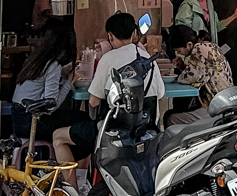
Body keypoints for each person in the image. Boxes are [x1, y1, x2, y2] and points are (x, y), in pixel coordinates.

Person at [53, 12, 165, 173]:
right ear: (134, 33)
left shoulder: (108, 59)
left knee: (59, 137)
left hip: (114, 131)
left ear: (110, 36)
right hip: (146, 130)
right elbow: (159, 95)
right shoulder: (148, 58)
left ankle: (73, 195)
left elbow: (93, 101)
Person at [9, 20, 76, 139]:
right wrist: (70, 82)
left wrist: (64, 71)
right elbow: (50, 106)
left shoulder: (36, 60)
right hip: (33, 124)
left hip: (18, 119)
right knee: (82, 121)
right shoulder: (53, 65)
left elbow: (42, 79)